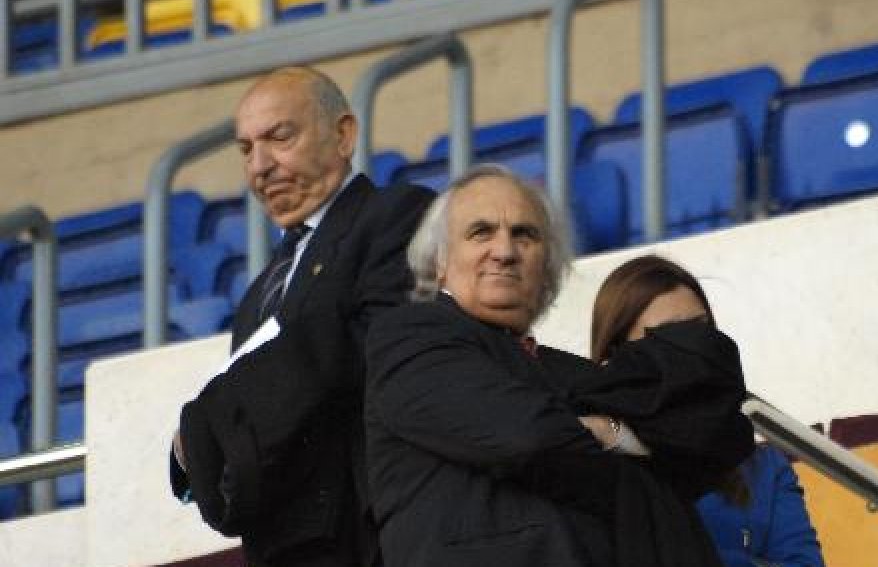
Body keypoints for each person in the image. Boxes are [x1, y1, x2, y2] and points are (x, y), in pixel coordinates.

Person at [364, 165, 755, 567]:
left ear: (547, 267)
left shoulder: (573, 372)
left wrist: (609, 432)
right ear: (439, 262)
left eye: (524, 234)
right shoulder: (410, 336)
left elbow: (699, 436)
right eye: (481, 232)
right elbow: (523, 435)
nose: (504, 251)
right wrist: (611, 433)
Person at [169, 66, 435, 567]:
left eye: (279, 137)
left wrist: (213, 413)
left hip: (376, 536)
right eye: (246, 149)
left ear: (343, 134)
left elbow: (375, 345)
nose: (260, 166)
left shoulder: (398, 214)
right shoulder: (255, 298)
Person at [589, 254, 825, 567]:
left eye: (702, 330)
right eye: (671, 336)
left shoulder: (763, 469)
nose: (694, 348)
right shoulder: (590, 461)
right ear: (615, 356)